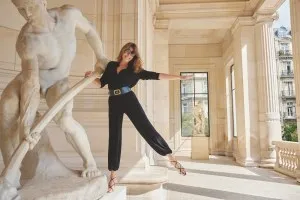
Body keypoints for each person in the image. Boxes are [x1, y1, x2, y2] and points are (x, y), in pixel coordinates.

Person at [0, 0, 110, 186]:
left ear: (43, 2)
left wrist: (101, 57)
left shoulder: (69, 15)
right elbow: (31, 82)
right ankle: (11, 174)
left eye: (30, 6)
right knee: (6, 109)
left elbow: (90, 30)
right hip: (31, 80)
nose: (26, 13)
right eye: (21, 9)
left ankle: (89, 161)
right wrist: (25, 128)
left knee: (65, 120)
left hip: (57, 82)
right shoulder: (27, 40)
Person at [85, 42, 192, 193]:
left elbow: (156, 76)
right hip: (113, 101)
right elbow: (101, 83)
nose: (128, 54)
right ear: (123, 51)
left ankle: (169, 156)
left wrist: (179, 77)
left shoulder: (135, 70)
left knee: (145, 128)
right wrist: (90, 78)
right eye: (127, 51)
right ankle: (113, 175)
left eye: (132, 53)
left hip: (129, 99)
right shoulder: (110, 66)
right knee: (114, 135)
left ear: (134, 56)